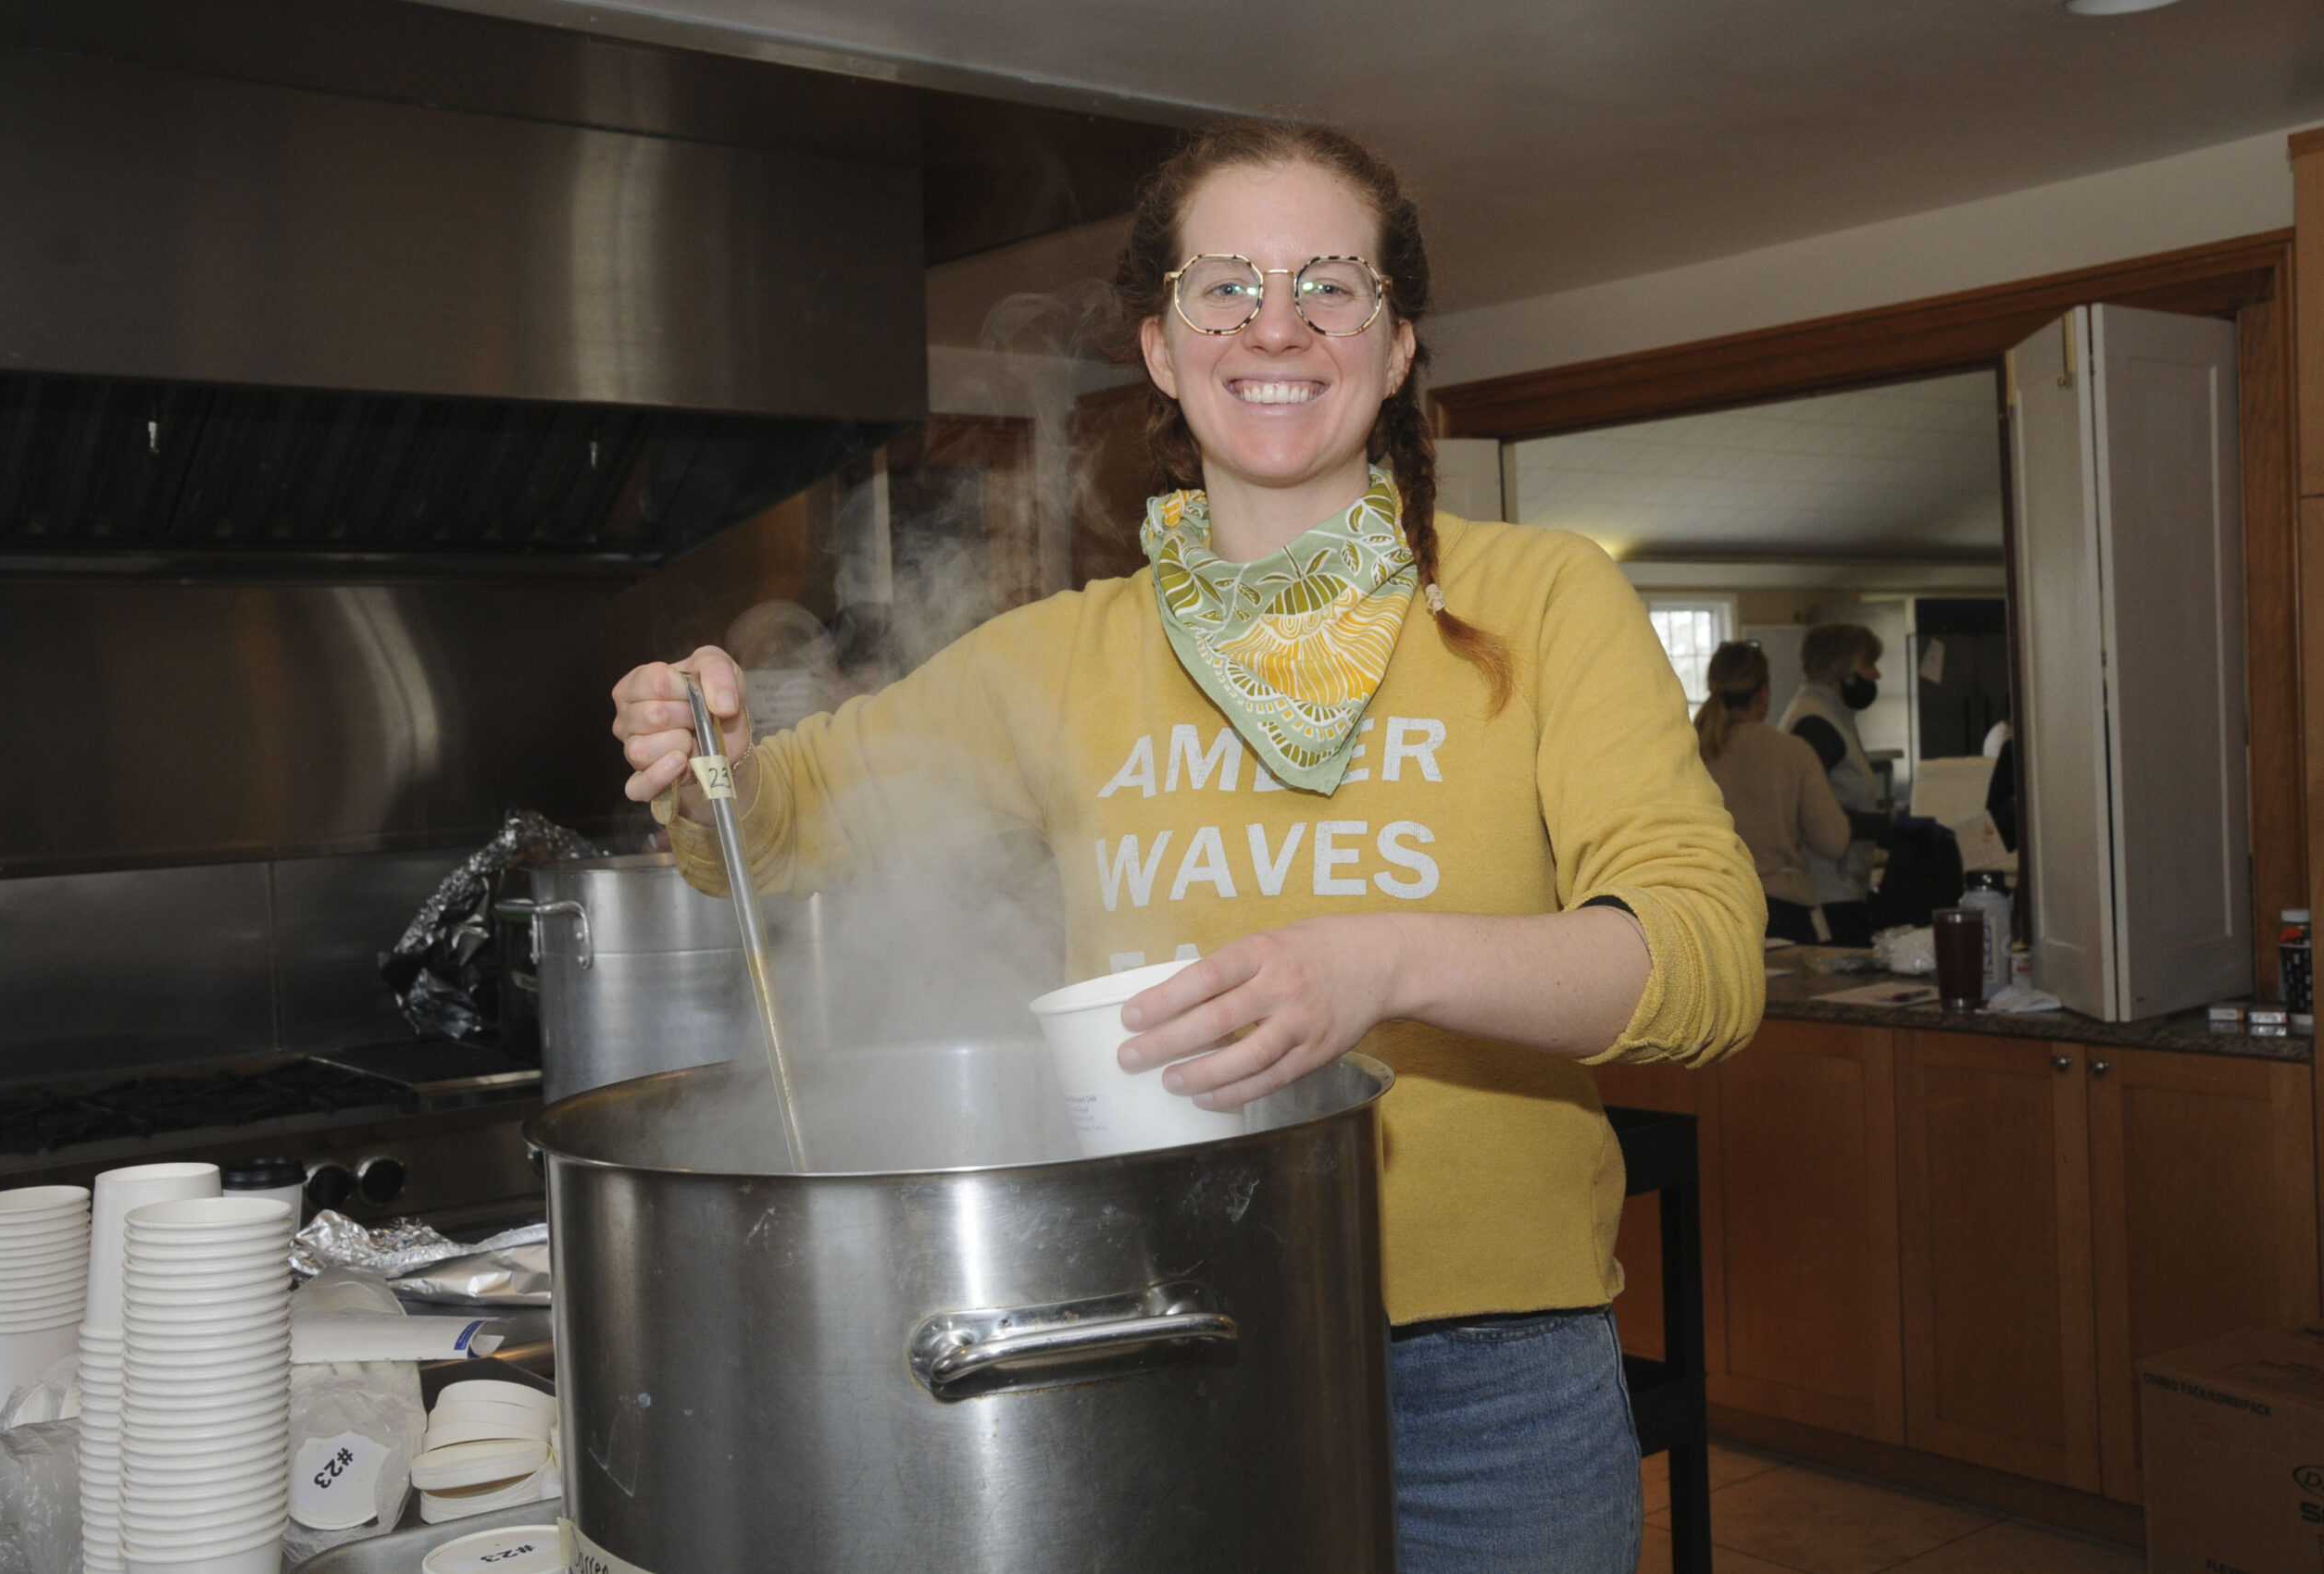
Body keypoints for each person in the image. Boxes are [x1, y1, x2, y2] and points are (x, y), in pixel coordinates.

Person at [611, 121, 1763, 1573]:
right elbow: (769, 836)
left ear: (1397, 344)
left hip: (1486, 1387)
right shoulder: (1059, 656)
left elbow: (1709, 962)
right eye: (1224, 287)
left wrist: (1383, 962)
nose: (1275, 327)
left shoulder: (1544, 601)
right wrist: (703, 745)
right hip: (1154, 1337)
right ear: (1160, 346)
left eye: (1330, 287)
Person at [1694, 642, 1847, 946]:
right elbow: (1834, 840)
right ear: (1763, 692)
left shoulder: (1688, 752)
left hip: (1711, 913)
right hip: (1783, 910)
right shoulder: (1792, 752)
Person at [1780, 623, 1887, 946]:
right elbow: (1814, 813)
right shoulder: (1815, 723)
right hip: (1829, 891)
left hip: (1841, 885)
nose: (1877, 675)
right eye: (1869, 664)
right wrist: (1887, 826)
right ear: (1843, 668)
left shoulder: (1832, 715)